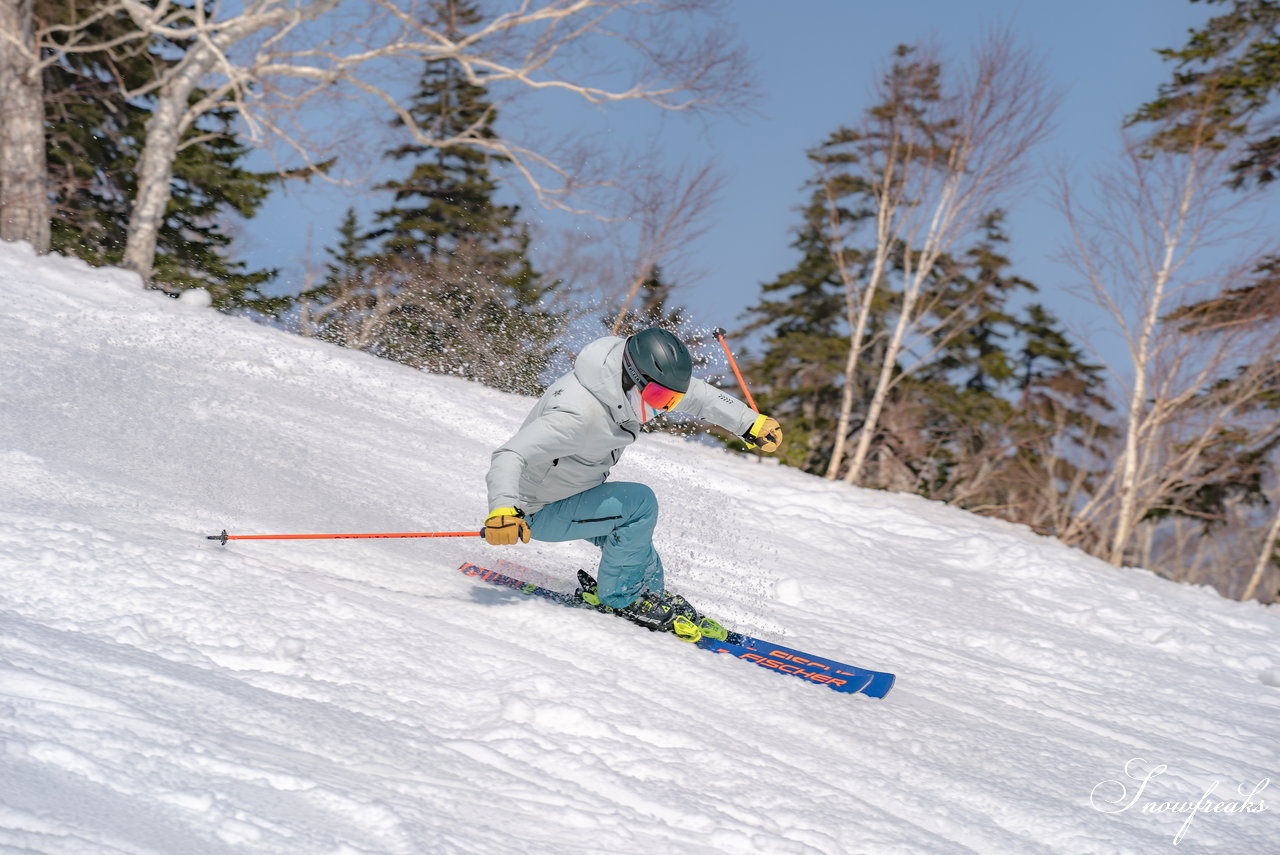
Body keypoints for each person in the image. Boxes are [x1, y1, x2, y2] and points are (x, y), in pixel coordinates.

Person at [482, 328, 783, 643]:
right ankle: (623, 599)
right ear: (630, 379)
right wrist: (503, 509)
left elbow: (698, 395)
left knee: (640, 556)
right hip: (536, 513)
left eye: (671, 399)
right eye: (658, 398)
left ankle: (646, 600)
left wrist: (749, 422)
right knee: (639, 504)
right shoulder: (576, 415)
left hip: (574, 497)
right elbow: (510, 454)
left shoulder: (628, 380)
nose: (664, 408)